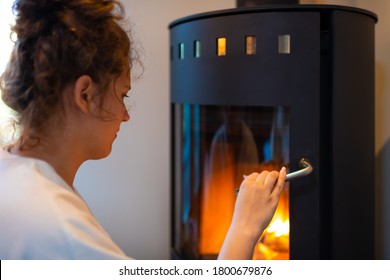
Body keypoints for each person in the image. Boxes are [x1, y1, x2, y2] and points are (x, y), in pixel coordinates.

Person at [0, 0, 286, 260]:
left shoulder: (14, 171)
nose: (125, 116)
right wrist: (246, 225)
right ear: (84, 95)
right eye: (123, 95)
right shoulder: (57, 226)